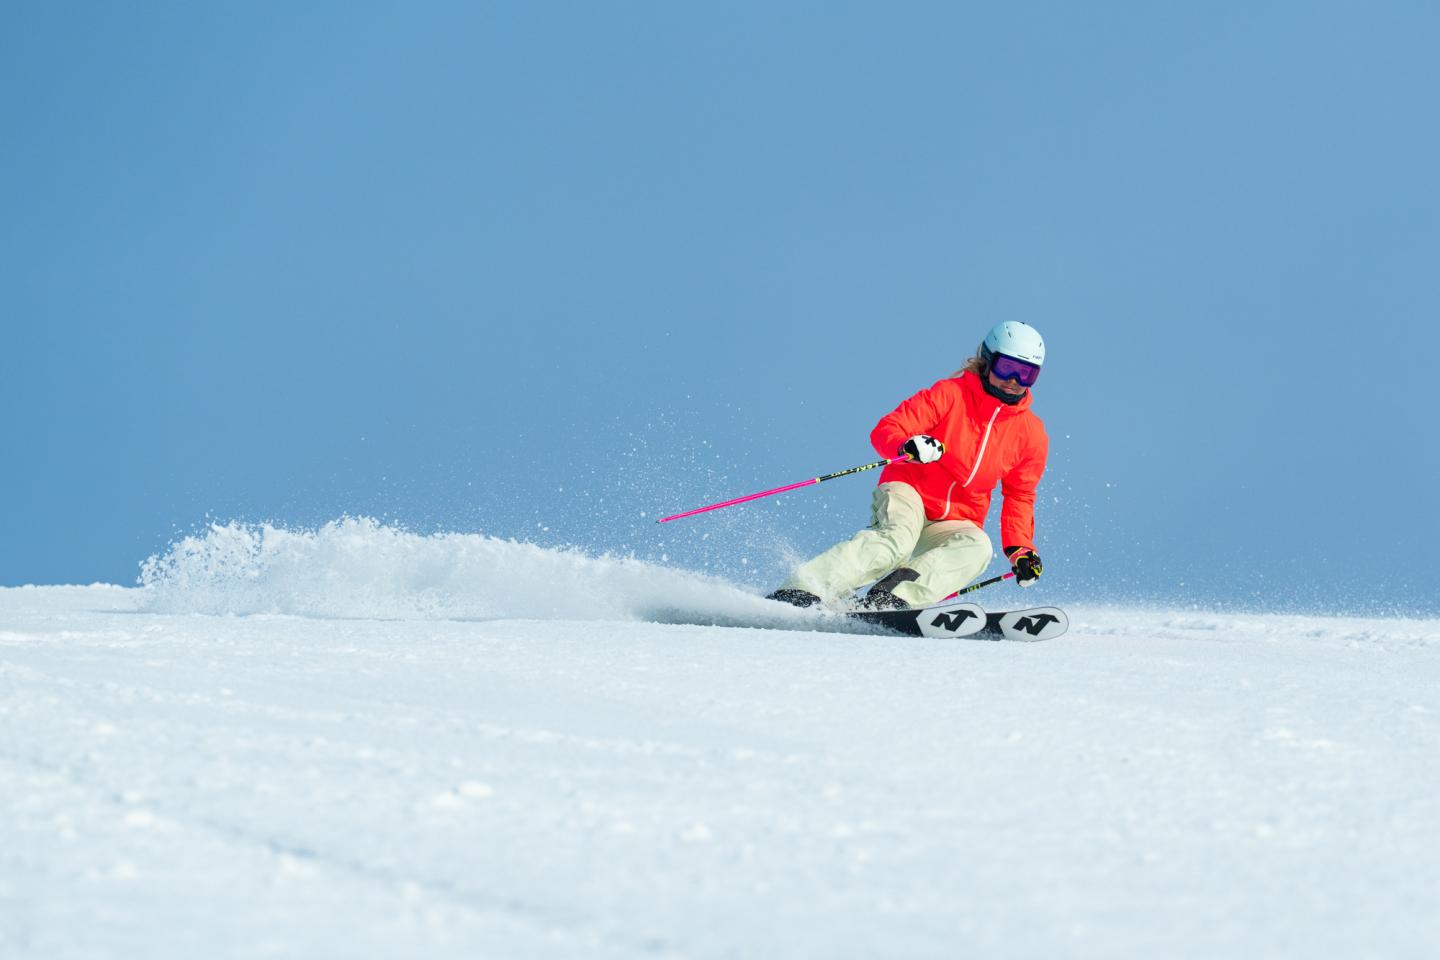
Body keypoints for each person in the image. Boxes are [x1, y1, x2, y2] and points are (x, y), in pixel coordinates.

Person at [767, 321, 1049, 610]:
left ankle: (892, 599)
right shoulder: (951, 395)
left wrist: (1021, 550)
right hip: (909, 491)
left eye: (1027, 374)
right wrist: (907, 446)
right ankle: (800, 590)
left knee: (977, 547)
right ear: (988, 361)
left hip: (956, 518)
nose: (1014, 379)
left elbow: (1019, 495)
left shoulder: (1031, 434)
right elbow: (888, 428)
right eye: (1007, 368)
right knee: (896, 540)